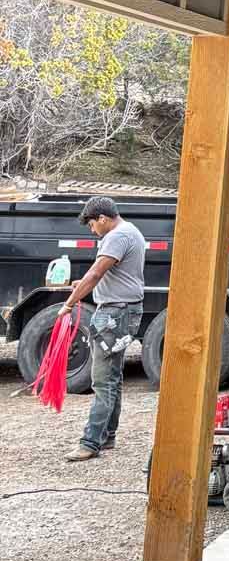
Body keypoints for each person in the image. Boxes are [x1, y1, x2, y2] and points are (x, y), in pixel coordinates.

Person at [59, 196, 148, 462]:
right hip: (121, 310)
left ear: (102, 218)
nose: (92, 231)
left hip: (113, 314)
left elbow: (96, 273)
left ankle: (90, 442)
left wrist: (68, 304)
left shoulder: (116, 236)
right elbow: (111, 276)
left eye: (92, 225)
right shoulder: (131, 231)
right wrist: (83, 284)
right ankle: (108, 435)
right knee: (112, 376)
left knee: (101, 379)